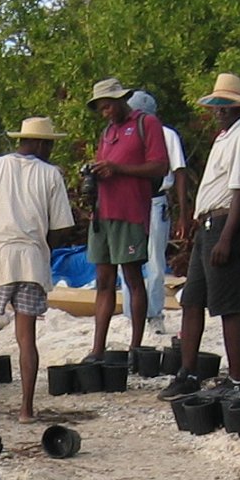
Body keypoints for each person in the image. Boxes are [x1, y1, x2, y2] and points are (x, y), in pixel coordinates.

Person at [0, 116, 77, 424]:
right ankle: (26, 410)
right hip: (32, 263)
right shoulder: (51, 175)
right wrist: (43, 247)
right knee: (27, 338)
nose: (50, 150)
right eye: (49, 144)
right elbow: (62, 228)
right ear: (39, 143)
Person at [162, 73, 240, 397]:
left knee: (227, 305)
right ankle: (188, 373)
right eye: (216, 105)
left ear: (238, 106)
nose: (218, 110)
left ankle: (236, 380)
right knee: (192, 300)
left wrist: (226, 238)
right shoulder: (226, 136)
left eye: (225, 105)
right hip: (210, 224)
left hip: (224, 224)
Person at [82, 78, 169, 359]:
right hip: (102, 213)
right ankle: (97, 349)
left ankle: (136, 347)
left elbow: (160, 166)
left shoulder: (146, 124)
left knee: (132, 278)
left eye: (108, 106)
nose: (105, 112)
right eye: (101, 109)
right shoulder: (107, 132)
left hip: (130, 212)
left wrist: (118, 168)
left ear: (121, 100)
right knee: (103, 280)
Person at [124, 90, 187, 331]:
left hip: (155, 201)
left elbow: (179, 171)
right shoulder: (125, 133)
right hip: (130, 202)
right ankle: (131, 315)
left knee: (155, 262)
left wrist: (182, 212)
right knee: (127, 259)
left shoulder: (166, 135)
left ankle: (154, 313)